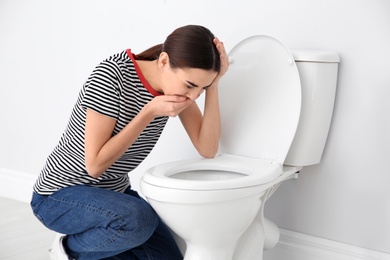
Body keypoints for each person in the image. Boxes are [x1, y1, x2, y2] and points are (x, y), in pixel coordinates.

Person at [30, 24, 229, 260]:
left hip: (113, 193)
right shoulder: (111, 75)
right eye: (191, 85)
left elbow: (207, 149)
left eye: (202, 88)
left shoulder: (178, 88)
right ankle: (67, 251)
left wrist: (213, 85)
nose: (194, 95)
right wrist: (148, 113)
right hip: (60, 195)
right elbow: (94, 166)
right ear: (164, 61)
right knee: (138, 221)